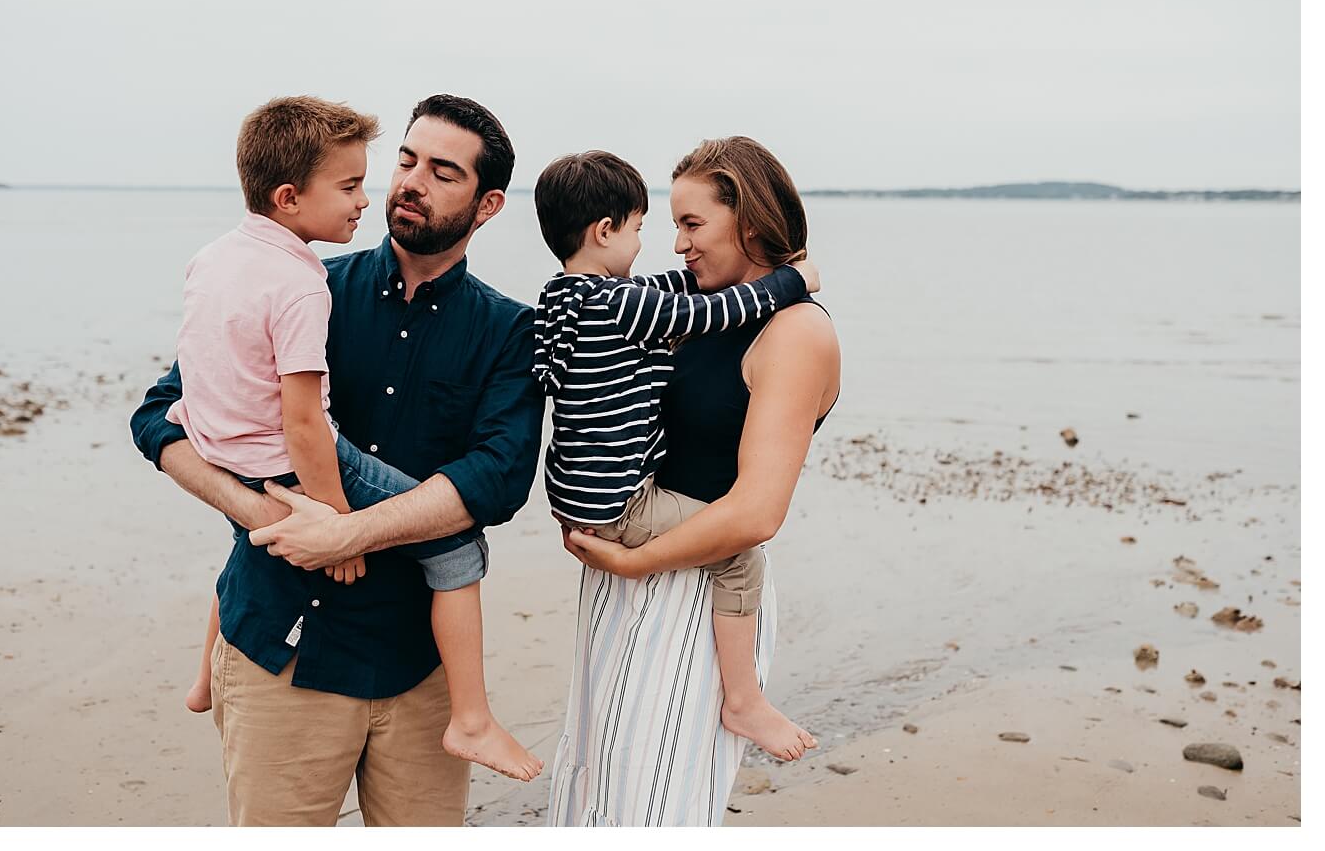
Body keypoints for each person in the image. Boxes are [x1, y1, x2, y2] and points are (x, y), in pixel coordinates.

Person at [131, 94, 543, 826]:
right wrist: (256, 510)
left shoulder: (510, 332)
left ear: (488, 206)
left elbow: (500, 478)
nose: (410, 181)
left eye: (443, 173)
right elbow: (159, 414)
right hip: (279, 649)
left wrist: (349, 532)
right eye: (407, 160)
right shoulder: (306, 286)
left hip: (420, 674)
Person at [548, 137, 841, 826]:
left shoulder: (794, 332)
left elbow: (756, 514)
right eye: (672, 224)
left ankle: (746, 700)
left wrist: (632, 559)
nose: (677, 245)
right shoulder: (696, 314)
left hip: (696, 587)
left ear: (748, 218)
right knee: (592, 785)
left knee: (655, 805)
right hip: (625, 575)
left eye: (692, 224)